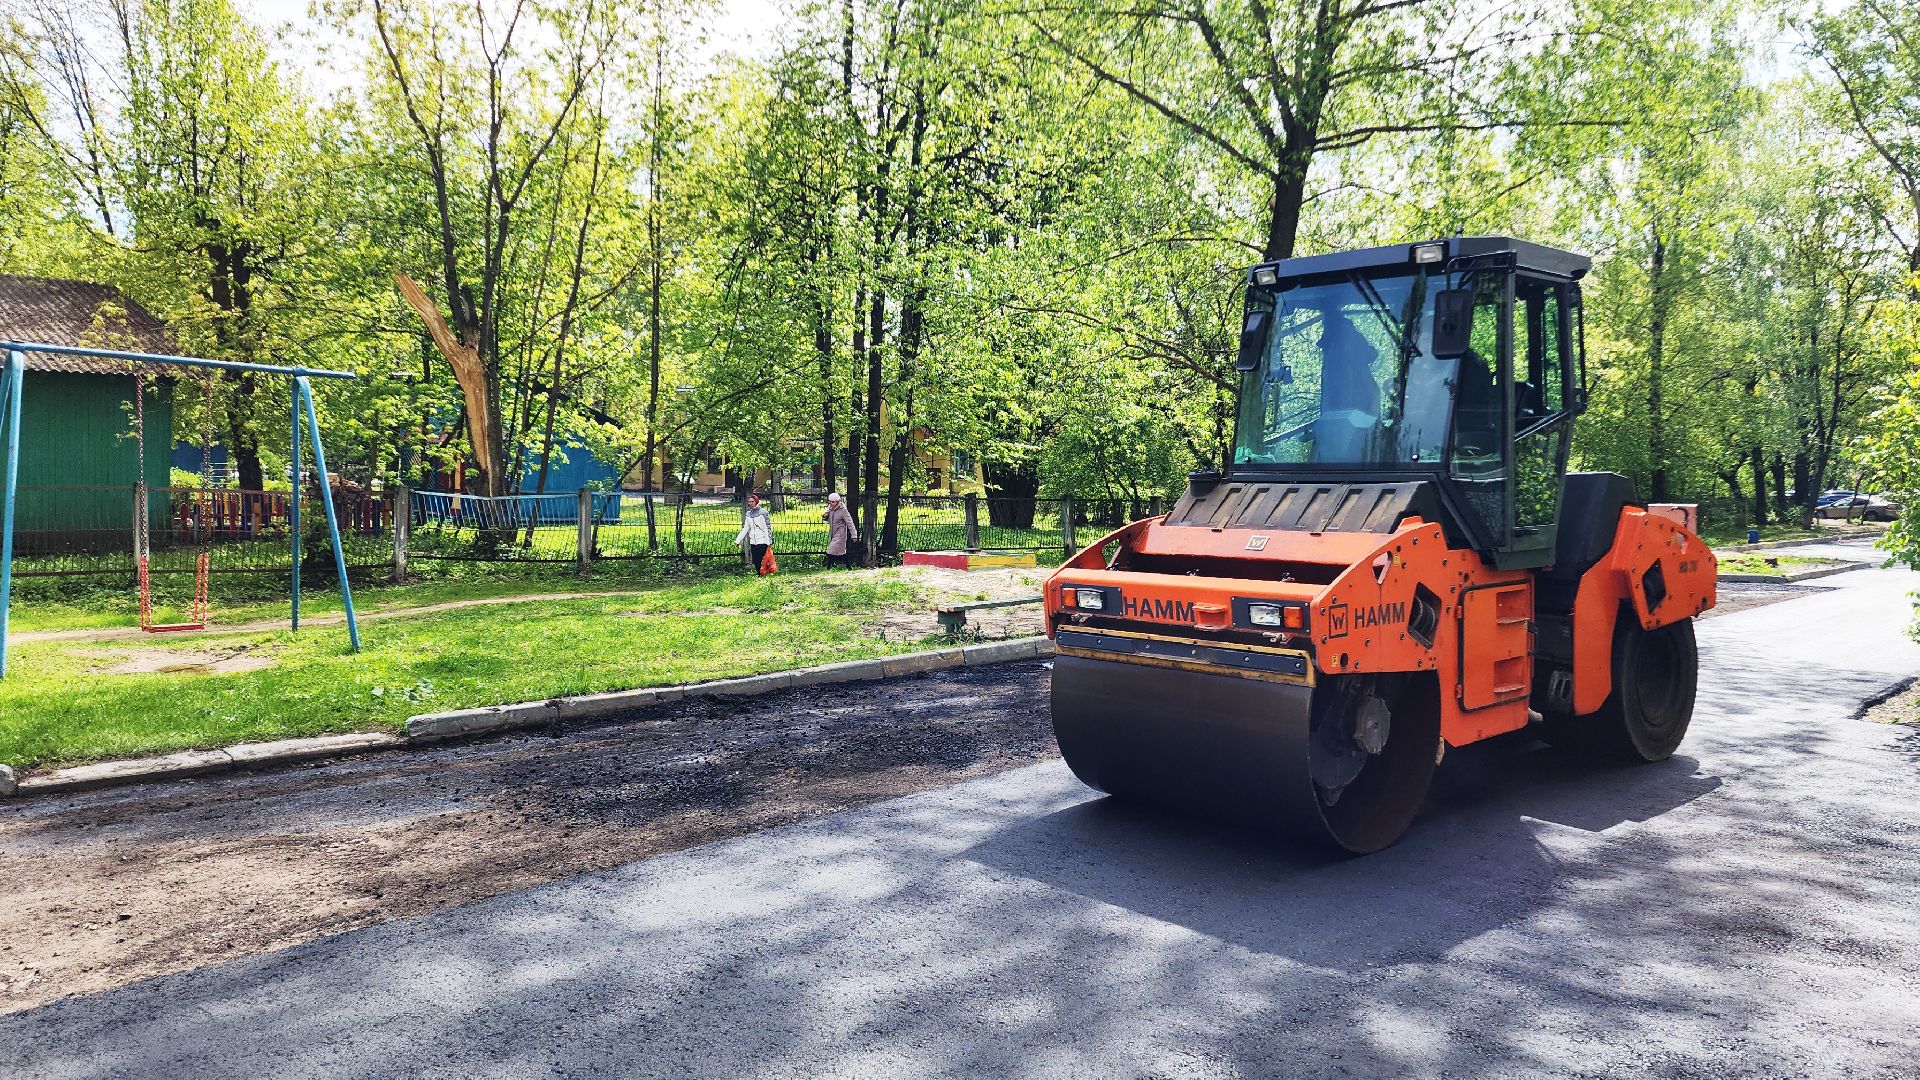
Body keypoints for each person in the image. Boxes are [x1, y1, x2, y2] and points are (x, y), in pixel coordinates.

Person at [735, 493, 774, 575]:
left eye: (752, 501)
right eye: (749, 502)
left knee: (761, 558)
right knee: (755, 559)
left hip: (762, 540)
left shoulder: (763, 512)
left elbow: (767, 528)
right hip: (753, 540)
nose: (750, 503)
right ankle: (760, 572)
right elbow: (745, 529)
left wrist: (769, 541)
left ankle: (762, 573)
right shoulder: (748, 514)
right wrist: (738, 540)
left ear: (756, 501)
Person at [823, 492, 859, 569]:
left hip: (840, 535)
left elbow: (850, 523)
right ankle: (849, 567)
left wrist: (854, 535)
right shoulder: (830, 509)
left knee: (830, 550)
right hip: (832, 533)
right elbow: (828, 519)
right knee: (841, 554)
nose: (831, 503)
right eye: (829, 502)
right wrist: (825, 516)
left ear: (837, 501)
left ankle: (828, 568)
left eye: (833, 502)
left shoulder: (843, 510)